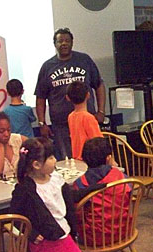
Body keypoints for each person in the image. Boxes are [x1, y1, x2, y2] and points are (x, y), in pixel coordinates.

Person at [10, 137, 89, 252]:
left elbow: (70, 198)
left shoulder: (56, 179)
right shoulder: (25, 189)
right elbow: (15, 216)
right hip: (46, 242)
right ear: (36, 165)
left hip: (63, 235)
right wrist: (31, 233)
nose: (55, 160)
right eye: (51, 157)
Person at [35, 27, 106, 161]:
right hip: (61, 125)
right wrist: (42, 123)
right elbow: (40, 97)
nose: (64, 43)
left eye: (67, 40)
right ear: (54, 44)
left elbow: (99, 85)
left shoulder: (84, 60)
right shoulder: (47, 67)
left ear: (72, 42)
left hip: (86, 120)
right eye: (60, 41)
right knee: (66, 161)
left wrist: (101, 111)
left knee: (93, 158)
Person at [73, 137, 130, 246]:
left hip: (93, 238)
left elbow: (78, 213)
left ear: (83, 159)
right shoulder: (123, 177)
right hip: (124, 231)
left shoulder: (80, 183)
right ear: (108, 158)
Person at [66, 81, 103, 160]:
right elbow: (99, 143)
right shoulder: (88, 118)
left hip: (76, 158)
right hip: (89, 161)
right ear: (88, 95)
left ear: (67, 98)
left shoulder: (70, 116)